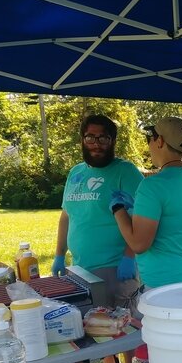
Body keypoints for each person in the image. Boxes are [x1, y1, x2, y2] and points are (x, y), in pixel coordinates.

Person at [52, 114, 143, 311]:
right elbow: (67, 216)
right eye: (90, 137)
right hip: (79, 270)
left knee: (123, 330)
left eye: (103, 138)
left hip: (117, 269)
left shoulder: (126, 172)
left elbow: (142, 221)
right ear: (82, 139)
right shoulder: (75, 173)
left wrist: (129, 257)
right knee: (93, 327)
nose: (96, 144)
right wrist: (59, 255)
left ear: (112, 141)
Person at [110, 116, 182, 292]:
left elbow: (139, 244)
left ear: (159, 141)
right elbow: (173, 218)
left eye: (150, 139)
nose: (149, 145)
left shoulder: (152, 185)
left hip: (167, 285)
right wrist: (138, 206)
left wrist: (118, 209)